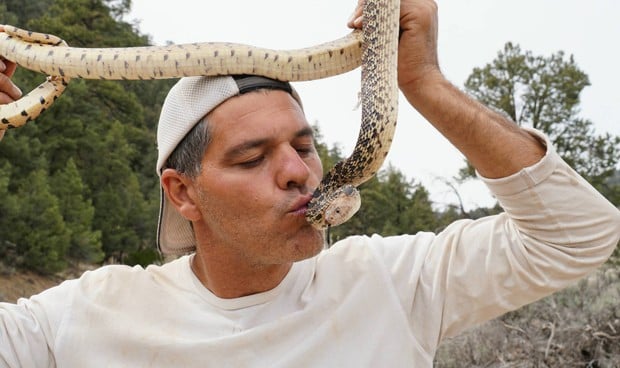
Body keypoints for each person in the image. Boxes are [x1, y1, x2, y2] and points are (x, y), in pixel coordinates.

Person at [1, 1, 619, 366]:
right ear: (183, 192)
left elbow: (577, 238)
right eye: (251, 159)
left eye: (303, 145)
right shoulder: (86, 315)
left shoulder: (391, 282)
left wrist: (424, 82)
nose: (298, 171)